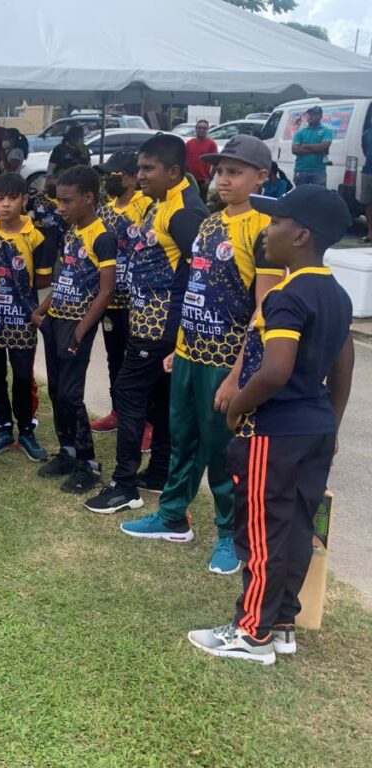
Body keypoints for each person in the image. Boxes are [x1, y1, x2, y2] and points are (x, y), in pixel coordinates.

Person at [188, 185, 354, 665]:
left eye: (276, 223)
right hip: (312, 431)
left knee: (261, 533)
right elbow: (345, 362)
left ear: (301, 235)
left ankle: (251, 633)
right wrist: (332, 421)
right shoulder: (336, 294)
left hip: (274, 432)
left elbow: (276, 369)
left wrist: (238, 405)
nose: (267, 231)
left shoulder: (287, 294)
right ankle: (281, 623)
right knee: (295, 528)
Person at [121, 136, 282, 575]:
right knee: (182, 439)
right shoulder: (210, 224)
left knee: (221, 450)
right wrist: (178, 346)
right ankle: (173, 516)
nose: (223, 179)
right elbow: (196, 289)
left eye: (235, 172)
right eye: (220, 171)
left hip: (226, 359)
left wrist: (236, 373)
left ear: (261, 177)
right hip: (190, 352)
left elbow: (263, 311)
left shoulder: (265, 230)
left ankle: (230, 534)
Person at [85, 134, 207, 515]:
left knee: (128, 392)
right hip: (148, 320)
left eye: (147, 169)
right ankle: (157, 473)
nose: (140, 176)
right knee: (157, 400)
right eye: (138, 168)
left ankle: (124, 485)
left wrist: (181, 334)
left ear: (173, 171)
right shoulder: (164, 201)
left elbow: (203, 275)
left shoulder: (184, 212)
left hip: (161, 327)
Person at [34, 166, 116, 493]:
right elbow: (65, 279)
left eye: (67, 201)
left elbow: (106, 290)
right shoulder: (72, 233)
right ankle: (67, 451)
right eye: (58, 201)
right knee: (55, 391)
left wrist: (82, 331)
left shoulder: (103, 236)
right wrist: (41, 311)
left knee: (71, 395)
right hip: (55, 320)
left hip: (76, 326)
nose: (61, 208)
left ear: (89, 198)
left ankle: (89, 463)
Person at [0, 172, 52, 461]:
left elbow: (43, 280)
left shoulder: (37, 236)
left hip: (22, 320)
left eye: (11, 198)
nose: (5, 204)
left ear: (24, 199)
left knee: (22, 376)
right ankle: (4, 429)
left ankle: (26, 430)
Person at [91, 151, 151, 434]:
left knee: (139, 360)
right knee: (114, 356)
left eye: (113, 175)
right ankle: (118, 411)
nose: (108, 181)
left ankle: (147, 421)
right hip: (111, 299)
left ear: (131, 178)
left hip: (139, 302)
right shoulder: (105, 210)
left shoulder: (147, 206)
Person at [28, 175, 69, 272]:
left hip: (56, 234)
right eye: (49, 184)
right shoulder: (37, 198)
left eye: (55, 185)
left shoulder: (64, 201)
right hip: (38, 231)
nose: (52, 187)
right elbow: (29, 211)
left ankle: (48, 275)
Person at [291, 105, 333, 187]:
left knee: (318, 197)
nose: (311, 117)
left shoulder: (326, 131)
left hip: (319, 170)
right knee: (301, 197)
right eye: (310, 114)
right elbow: (295, 150)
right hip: (301, 169)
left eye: (314, 114)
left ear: (320, 116)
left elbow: (323, 146)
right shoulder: (301, 132)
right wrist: (317, 149)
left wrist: (305, 146)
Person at [185, 120, 218, 198]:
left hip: (203, 181)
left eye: (204, 128)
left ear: (207, 130)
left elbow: (215, 163)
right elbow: (184, 160)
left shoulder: (211, 144)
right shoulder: (189, 143)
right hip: (189, 179)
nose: (202, 130)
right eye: (199, 128)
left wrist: (210, 178)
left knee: (201, 202)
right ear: (196, 129)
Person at [360, 121, 372, 244]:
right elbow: (365, 150)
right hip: (368, 170)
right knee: (368, 204)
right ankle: (370, 234)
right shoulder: (367, 134)